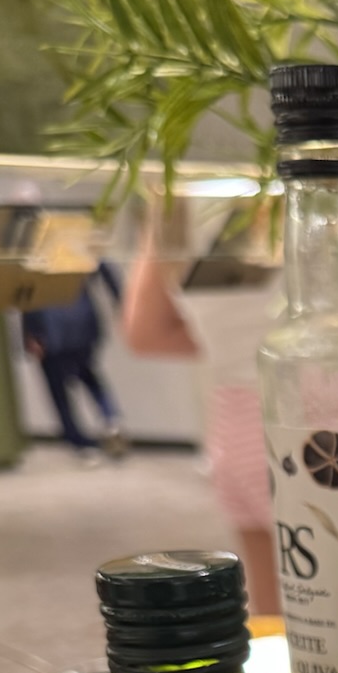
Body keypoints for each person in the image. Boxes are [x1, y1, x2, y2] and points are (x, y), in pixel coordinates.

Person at [121, 200, 283, 615]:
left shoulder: (174, 198)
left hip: (236, 418)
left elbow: (145, 332)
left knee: (274, 609)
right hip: (324, 409)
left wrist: (230, 347)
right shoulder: (317, 186)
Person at [22, 262, 126, 460]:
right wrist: (121, 302)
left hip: (50, 329)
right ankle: (111, 420)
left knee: (59, 391)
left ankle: (80, 443)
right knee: (90, 377)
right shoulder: (76, 249)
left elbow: (27, 292)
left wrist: (30, 333)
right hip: (82, 321)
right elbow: (104, 267)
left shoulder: (34, 254)